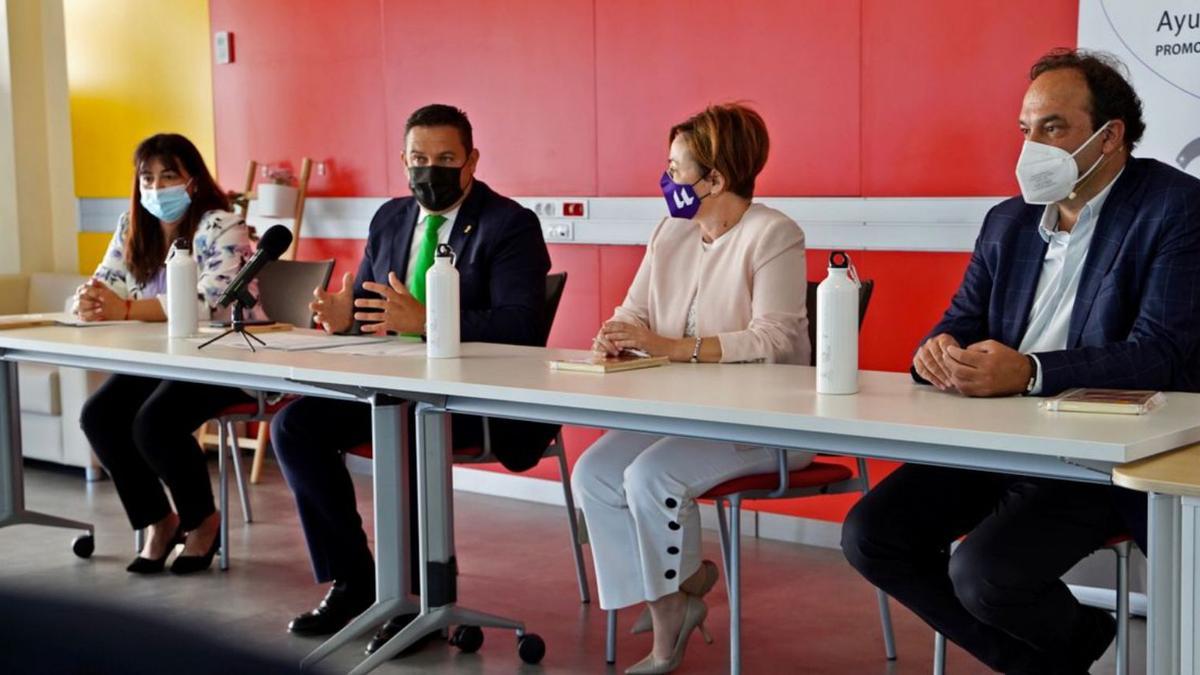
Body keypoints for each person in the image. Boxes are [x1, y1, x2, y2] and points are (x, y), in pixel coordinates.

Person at [841, 49, 1200, 674]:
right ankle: (1054, 656)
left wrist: (1033, 371)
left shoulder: (1175, 209)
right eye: (1025, 129)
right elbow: (961, 318)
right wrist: (939, 349)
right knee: (872, 534)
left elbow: (1161, 354)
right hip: (999, 441)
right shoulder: (1007, 221)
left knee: (983, 573)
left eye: (1053, 127)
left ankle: (1066, 642)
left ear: (1110, 136)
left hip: (1098, 453)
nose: (1032, 145)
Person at [272, 104, 559, 654]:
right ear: (404, 163)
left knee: (403, 429)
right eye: (419, 159)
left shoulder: (510, 224)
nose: (432, 170)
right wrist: (343, 315)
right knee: (295, 427)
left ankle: (416, 600)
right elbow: (375, 307)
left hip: (471, 399)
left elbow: (521, 326)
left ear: (472, 161)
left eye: (446, 158)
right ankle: (356, 581)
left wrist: (426, 321)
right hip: (390, 384)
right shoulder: (391, 218)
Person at [571, 103, 811, 675]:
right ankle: (673, 592)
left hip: (770, 422)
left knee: (651, 476)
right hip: (689, 416)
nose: (667, 179)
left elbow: (775, 337)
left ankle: (667, 624)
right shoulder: (671, 232)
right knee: (595, 474)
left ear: (717, 179)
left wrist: (674, 347)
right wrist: (617, 336)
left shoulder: (774, 233)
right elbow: (635, 311)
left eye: (676, 168)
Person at [78, 133, 262, 575]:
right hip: (160, 359)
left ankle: (203, 522)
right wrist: (89, 299)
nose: (157, 188)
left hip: (225, 357)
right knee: (99, 416)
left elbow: (211, 302)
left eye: (169, 176)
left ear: (193, 181)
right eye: (148, 178)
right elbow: (108, 282)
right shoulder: (132, 226)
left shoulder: (224, 225)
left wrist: (122, 308)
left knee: (154, 423)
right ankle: (160, 521)